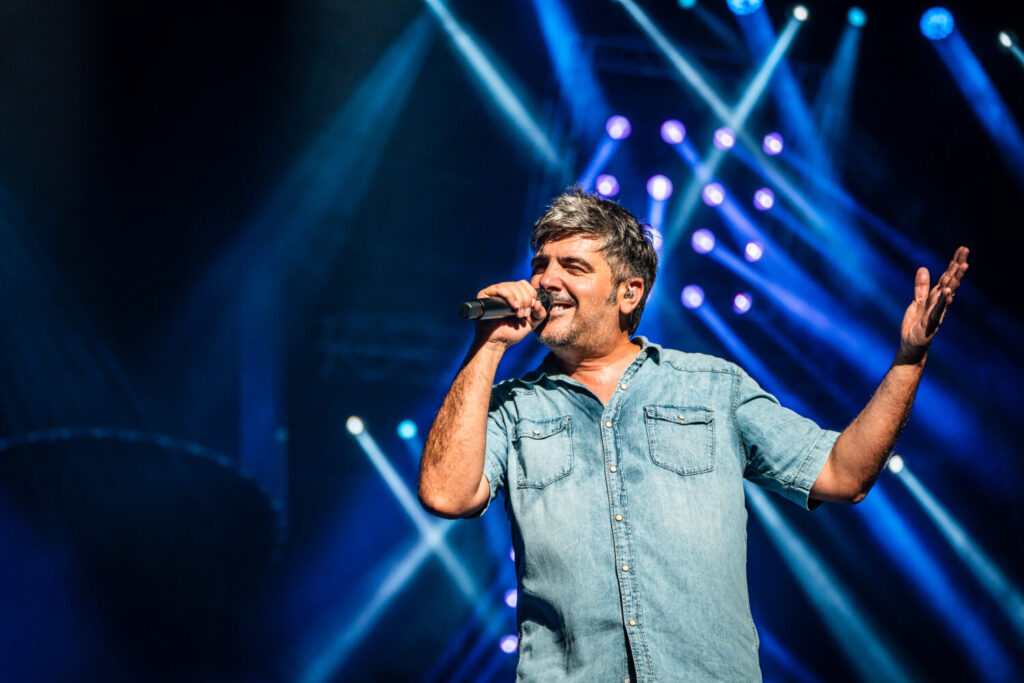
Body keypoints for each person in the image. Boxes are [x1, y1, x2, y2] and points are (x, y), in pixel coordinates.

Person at [418, 186, 969, 681]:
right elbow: (446, 494)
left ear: (629, 293)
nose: (545, 281)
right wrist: (487, 347)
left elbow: (842, 474)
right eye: (541, 264)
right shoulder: (516, 407)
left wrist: (907, 362)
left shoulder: (712, 386)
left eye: (573, 267)